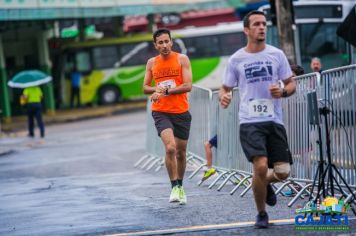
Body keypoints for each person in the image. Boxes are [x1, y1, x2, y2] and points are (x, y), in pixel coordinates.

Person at [219, 10, 296, 228]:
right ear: (246, 30)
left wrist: (282, 90)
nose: (262, 27)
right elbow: (225, 88)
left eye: (264, 24)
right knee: (260, 166)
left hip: (274, 120)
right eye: (256, 24)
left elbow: (291, 83)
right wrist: (224, 97)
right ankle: (262, 213)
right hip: (249, 120)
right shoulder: (237, 59)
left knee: (282, 172)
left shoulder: (276, 54)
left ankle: (263, 183)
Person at [143, 28, 192, 205]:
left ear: (171, 42)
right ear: (155, 45)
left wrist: (165, 90)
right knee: (170, 148)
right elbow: (145, 87)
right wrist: (156, 90)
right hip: (160, 111)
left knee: (180, 152)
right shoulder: (151, 63)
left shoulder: (181, 59)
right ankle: (173, 187)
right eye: (160, 42)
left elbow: (188, 85)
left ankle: (180, 185)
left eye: (167, 41)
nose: (164, 45)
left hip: (181, 111)